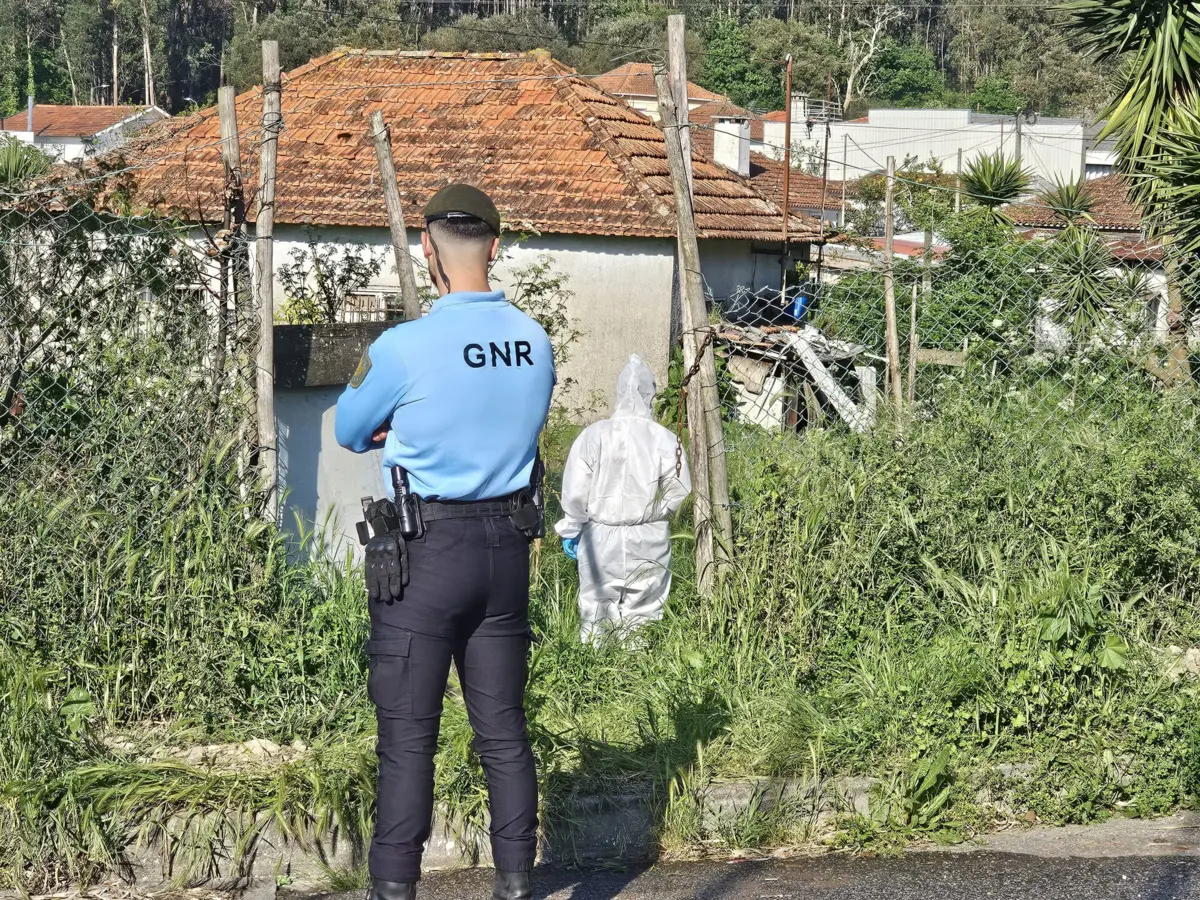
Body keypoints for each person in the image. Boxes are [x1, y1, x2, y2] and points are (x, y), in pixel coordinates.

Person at [335, 184, 554, 900]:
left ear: (426, 248)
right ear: (496, 245)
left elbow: (348, 430)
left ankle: (395, 887)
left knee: (408, 740)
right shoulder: (534, 341)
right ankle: (516, 885)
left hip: (425, 554)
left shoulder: (404, 348)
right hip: (506, 551)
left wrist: (399, 427)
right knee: (504, 731)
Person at [555, 355, 691, 643]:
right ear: (651, 394)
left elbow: (576, 490)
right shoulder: (666, 439)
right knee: (645, 611)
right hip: (650, 536)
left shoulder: (593, 435)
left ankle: (594, 666)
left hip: (600, 537)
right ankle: (635, 665)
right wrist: (655, 512)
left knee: (596, 610)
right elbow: (678, 491)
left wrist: (572, 527)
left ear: (617, 393)